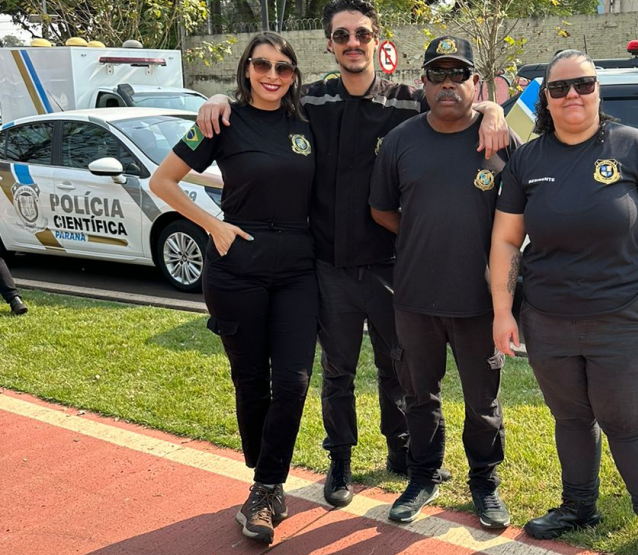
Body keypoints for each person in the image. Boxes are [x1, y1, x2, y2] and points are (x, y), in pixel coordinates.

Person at [196, 0, 509, 509]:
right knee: (337, 371)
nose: (352, 44)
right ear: (330, 45)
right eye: (341, 36)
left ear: (376, 39)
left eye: (361, 34)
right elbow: (259, 97)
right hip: (327, 264)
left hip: (391, 265)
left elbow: (465, 102)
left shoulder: (408, 102)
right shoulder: (311, 102)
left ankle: (402, 453)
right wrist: (214, 98)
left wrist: (494, 108)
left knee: (399, 367)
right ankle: (339, 459)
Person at [489, 50, 638, 555]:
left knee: (627, 422)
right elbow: (507, 240)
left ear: (599, 90)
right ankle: (579, 505)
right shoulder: (528, 160)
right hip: (547, 319)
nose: (572, 95)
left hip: (620, 316)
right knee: (571, 419)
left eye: (583, 84)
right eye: (559, 89)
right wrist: (504, 311)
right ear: (546, 101)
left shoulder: (634, 147)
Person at [150, 32, 318, 545]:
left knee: (292, 382)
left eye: (283, 67)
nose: (272, 75)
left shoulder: (308, 123)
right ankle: (264, 484)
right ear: (246, 68)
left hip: (297, 269)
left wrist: (492, 108)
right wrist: (212, 225)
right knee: (251, 381)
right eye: (262, 65)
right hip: (236, 265)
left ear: (293, 75)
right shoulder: (221, 120)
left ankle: (267, 485)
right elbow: (164, 182)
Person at [369, 36, 517, 528]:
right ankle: (424, 474)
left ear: (476, 82)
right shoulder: (400, 141)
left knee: (482, 399)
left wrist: (495, 113)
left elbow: (520, 219)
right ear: (424, 83)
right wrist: (420, 233)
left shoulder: (500, 139)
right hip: (415, 296)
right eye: (437, 74)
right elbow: (382, 210)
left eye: (458, 74)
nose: (448, 84)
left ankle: (484, 482)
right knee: (419, 394)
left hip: (480, 300)